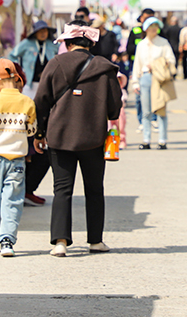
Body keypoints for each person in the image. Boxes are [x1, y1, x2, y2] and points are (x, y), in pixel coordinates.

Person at [33, 20, 123, 257]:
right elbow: (115, 108)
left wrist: (39, 133)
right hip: (93, 137)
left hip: (59, 137)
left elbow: (40, 102)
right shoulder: (105, 67)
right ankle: (95, 240)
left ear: (68, 42)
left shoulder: (55, 64)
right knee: (94, 189)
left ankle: (60, 242)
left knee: (62, 190)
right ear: (90, 43)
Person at [0, 59, 37, 257]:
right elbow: (31, 130)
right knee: (12, 200)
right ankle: (7, 241)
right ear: (15, 78)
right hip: (17, 159)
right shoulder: (27, 102)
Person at [8, 20, 58, 207]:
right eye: (40, 31)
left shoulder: (52, 46)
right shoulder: (27, 45)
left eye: (46, 31)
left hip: (46, 85)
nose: (43, 34)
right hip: (30, 85)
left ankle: (27, 189)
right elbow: (12, 56)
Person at [131, 16, 177, 150]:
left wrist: (157, 64)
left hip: (160, 79)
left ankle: (162, 140)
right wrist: (135, 82)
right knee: (146, 111)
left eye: (155, 27)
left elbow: (171, 60)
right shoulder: (141, 44)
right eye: (151, 27)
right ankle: (146, 140)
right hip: (144, 78)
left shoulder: (163, 43)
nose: (153, 30)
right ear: (145, 29)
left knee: (161, 110)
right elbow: (137, 65)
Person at [128, 8, 156, 130]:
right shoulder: (135, 30)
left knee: (155, 97)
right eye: (146, 18)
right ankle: (142, 121)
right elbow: (129, 47)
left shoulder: (158, 33)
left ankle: (154, 119)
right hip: (138, 68)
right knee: (139, 98)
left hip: (155, 72)